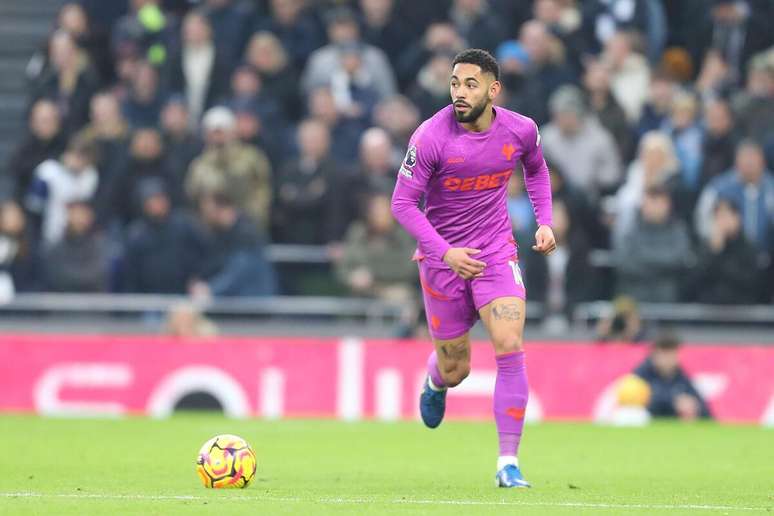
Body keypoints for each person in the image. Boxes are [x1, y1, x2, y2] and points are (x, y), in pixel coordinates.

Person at [390, 49, 555, 488]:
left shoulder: (521, 130)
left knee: (509, 343)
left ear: (492, 89)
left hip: (496, 253)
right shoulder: (429, 137)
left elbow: (537, 171)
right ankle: (436, 380)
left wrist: (545, 222)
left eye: (470, 84)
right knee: (457, 368)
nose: (459, 93)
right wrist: (444, 253)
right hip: (444, 260)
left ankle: (507, 463)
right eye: (455, 84)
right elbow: (402, 204)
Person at [633, 331, 712, 420]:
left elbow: (706, 412)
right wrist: (674, 404)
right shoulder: (641, 375)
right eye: (664, 353)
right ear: (654, 354)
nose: (668, 359)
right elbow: (638, 405)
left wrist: (694, 408)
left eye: (671, 353)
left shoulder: (681, 377)